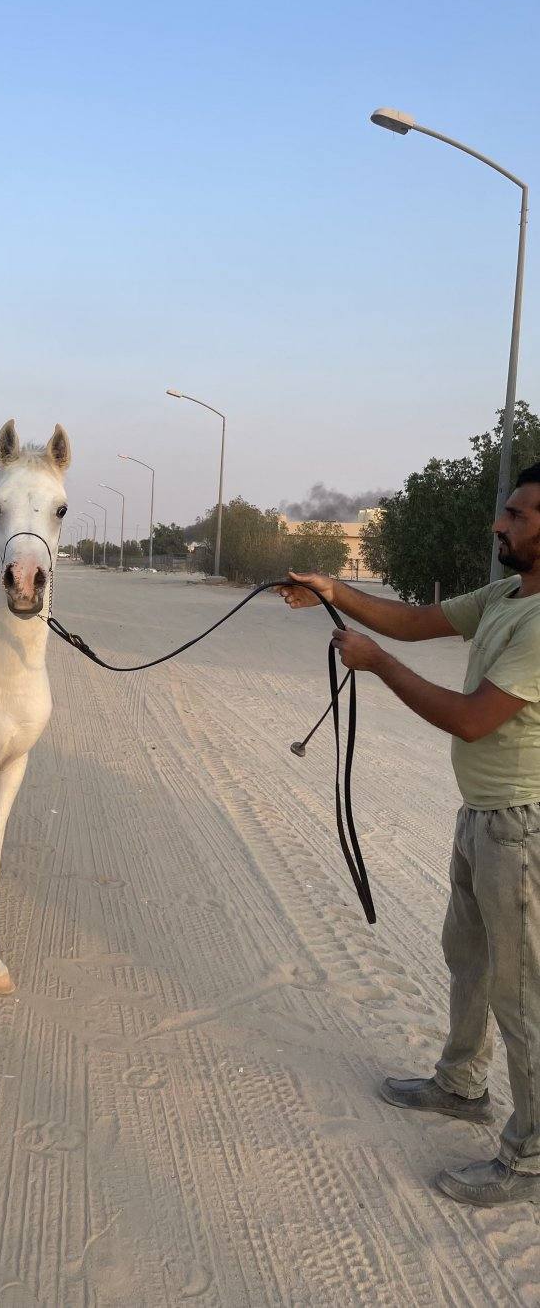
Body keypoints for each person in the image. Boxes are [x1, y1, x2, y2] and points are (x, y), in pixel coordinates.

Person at [279, 463, 540, 1208]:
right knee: (470, 959)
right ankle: (461, 1082)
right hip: (482, 816)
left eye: (519, 516)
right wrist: (333, 589)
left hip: (520, 827)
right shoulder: (504, 596)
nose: (501, 524)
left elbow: (471, 717)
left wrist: (377, 664)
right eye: (507, 513)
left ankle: (531, 1154)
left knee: (522, 996)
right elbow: (413, 620)